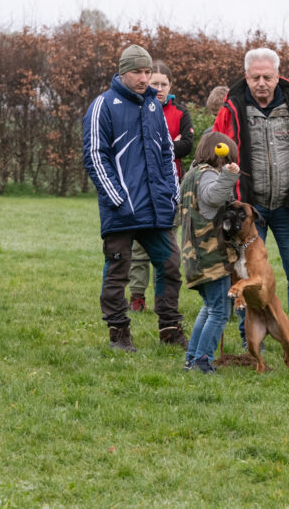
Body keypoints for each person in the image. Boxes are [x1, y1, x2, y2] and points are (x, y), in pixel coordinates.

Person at [213, 48, 289, 353]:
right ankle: (246, 330)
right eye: (255, 77)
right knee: (244, 272)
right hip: (248, 208)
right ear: (246, 76)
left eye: (267, 77)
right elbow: (216, 154)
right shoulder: (231, 107)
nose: (261, 82)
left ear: (277, 75)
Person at [82, 44, 187, 352]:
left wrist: (172, 194)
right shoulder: (103, 105)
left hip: (156, 209)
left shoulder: (154, 106)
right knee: (118, 272)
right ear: (123, 72)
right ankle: (119, 335)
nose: (145, 79)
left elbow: (167, 153)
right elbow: (94, 156)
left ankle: (170, 328)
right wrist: (117, 198)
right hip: (122, 210)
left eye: (147, 72)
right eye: (138, 72)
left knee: (170, 266)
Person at [127, 60, 195, 312]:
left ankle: (164, 300)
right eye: (154, 83)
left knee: (168, 246)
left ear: (170, 85)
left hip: (171, 187)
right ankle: (136, 296)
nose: (159, 88)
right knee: (138, 247)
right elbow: (137, 148)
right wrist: (169, 146)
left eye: (163, 84)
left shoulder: (180, 112)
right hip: (140, 188)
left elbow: (187, 145)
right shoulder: (136, 108)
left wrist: (159, 146)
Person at [180, 132, 240, 373]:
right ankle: (202, 361)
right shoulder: (207, 175)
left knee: (209, 308)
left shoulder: (191, 174)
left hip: (194, 256)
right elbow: (213, 198)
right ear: (221, 153)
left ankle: (192, 358)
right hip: (210, 256)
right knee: (219, 312)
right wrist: (228, 176)